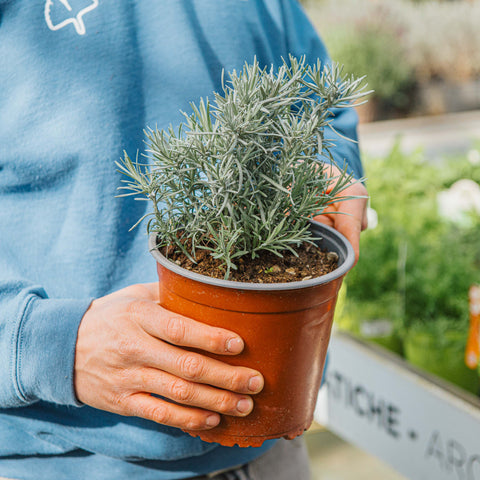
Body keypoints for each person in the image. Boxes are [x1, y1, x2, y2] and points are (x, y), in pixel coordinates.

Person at [0, 1, 368, 479]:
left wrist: (324, 171)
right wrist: (47, 345)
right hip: (62, 460)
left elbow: (324, 105)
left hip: (268, 447)